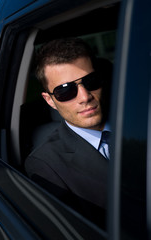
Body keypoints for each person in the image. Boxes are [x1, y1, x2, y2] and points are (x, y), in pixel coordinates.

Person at [25, 37, 112, 229]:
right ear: (49, 100)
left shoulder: (139, 121)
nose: (85, 97)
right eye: (65, 91)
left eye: (91, 81)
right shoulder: (46, 166)